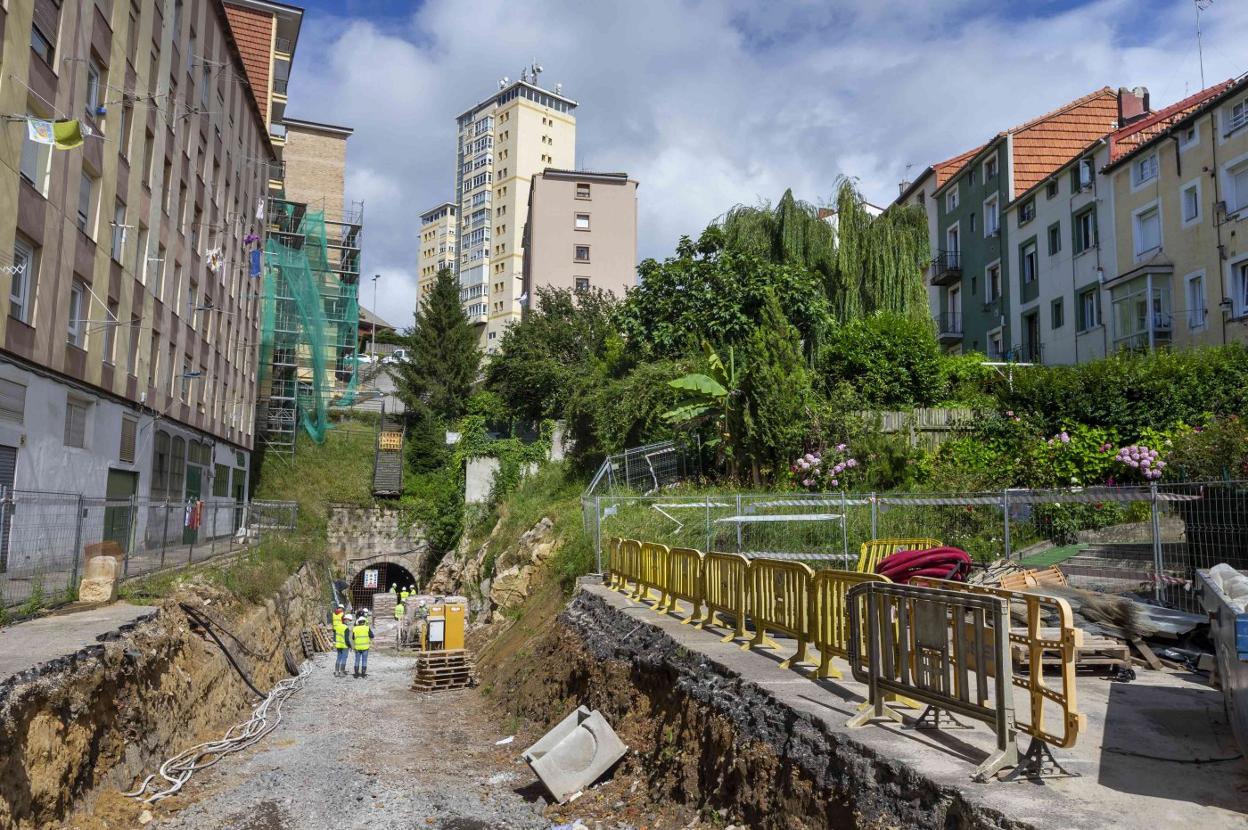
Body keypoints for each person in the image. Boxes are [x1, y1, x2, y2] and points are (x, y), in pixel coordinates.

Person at [333, 612, 351, 677]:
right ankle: (342, 672)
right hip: (344, 646)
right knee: (344, 659)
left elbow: (334, 637)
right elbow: (346, 639)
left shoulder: (337, 627)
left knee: (338, 658)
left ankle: (337, 672)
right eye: (349, 620)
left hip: (338, 645)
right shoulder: (346, 628)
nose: (350, 622)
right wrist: (350, 646)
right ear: (346, 620)